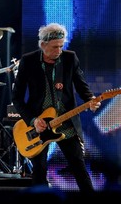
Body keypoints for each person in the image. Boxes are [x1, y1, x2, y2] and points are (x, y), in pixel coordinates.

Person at [11, 23, 101, 192]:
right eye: (54, 47)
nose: (59, 50)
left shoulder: (69, 58)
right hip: (38, 125)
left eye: (61, 46)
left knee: (79, 167)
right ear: (43, 45)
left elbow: (82, 87)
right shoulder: (28, 61)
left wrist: (91, 99)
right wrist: (33, 120)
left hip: (65, 121)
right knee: (39, 170)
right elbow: (16, 98)